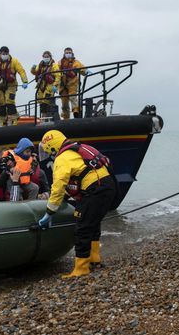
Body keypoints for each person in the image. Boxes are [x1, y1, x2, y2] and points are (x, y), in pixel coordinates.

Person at [37, 130, 117, 278]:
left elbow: (58, 186)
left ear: (52, 148)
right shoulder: (78, 149)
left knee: (82, 228)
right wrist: (66, 197)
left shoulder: (62, 158)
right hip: (108, 185)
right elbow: (79, 177)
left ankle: (81, 268)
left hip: (95, 188)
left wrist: (49, 212)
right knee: (92, 222)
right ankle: (94, 259)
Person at [0, 46, 29, 126]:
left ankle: (14, 118)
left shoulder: (14, 61)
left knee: (9, 101)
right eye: (3, 53)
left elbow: (21, 71)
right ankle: (3, 120)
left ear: (8, 53)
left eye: (6, 53)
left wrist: (24, 81)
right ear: (0, 53)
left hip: (11, 85)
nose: (4, 55)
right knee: (0, 102)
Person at [58, 47, 90, 119]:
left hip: (73, 83)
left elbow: (82, 68)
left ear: (72, 53)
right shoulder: (60, 63)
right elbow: (56, 72)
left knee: (73, 98)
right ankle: (66, 118)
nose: (68, 54)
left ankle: (76, 114)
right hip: (63, 85)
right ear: (64, 54)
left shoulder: (76, 62)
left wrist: (86, 71)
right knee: (64, 104)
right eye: (66, 53)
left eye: (69, 52)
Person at [31, 51, 61, 119]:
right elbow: (35, 72)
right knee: (41, 102)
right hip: (41, 86)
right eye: (44, 57)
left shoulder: (54, 65)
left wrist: (55, 85)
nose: (46, 58)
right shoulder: (40, 65)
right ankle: (43, 118)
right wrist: (32, 69)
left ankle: (48, 118)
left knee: (46, 101)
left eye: (47, 57)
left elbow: (58, 75)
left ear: (50, 57)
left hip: (50, 86)